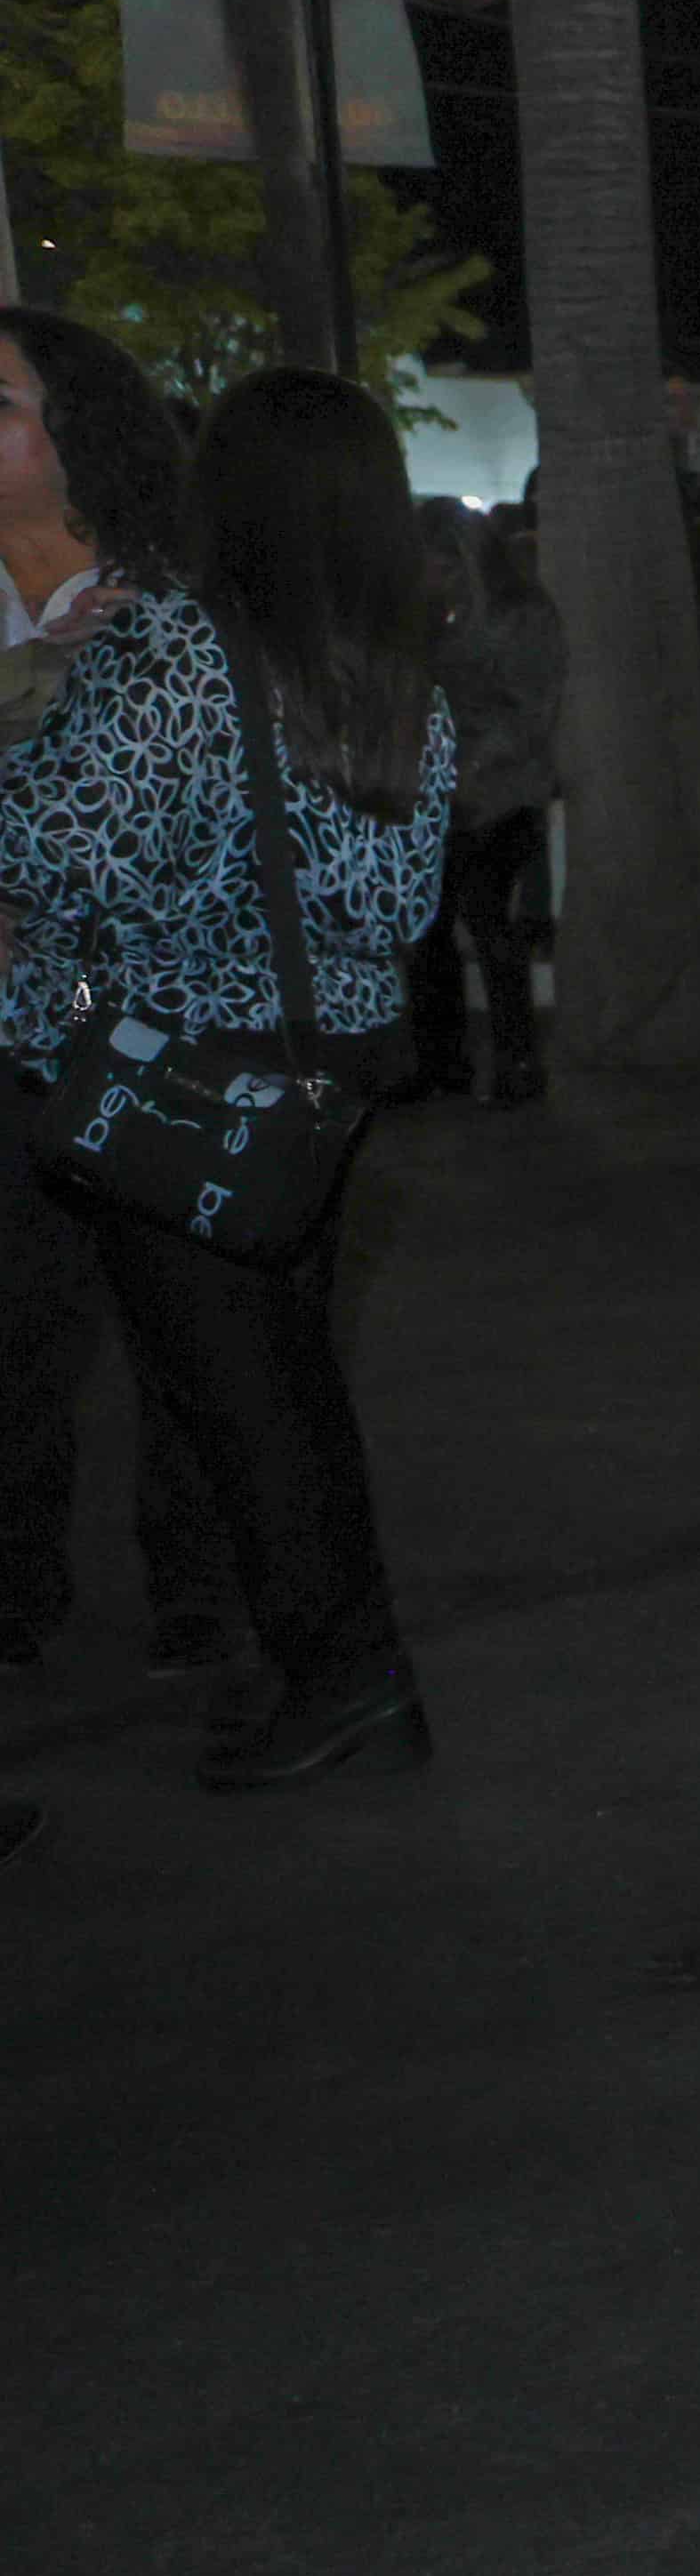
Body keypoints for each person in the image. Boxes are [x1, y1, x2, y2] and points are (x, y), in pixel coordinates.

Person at [0, 368, 461, 1789]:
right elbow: (398, 907)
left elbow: (53, 851)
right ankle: (321, 1668)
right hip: (322, 1086)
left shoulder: (181, 655)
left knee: (239, 1407)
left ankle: (349, 1686)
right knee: (286, 1388)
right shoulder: (399, 674)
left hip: (174, 1085)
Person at [0, 305, 231, 1679]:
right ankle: (15, 1589)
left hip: (135, 1004)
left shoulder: (174, 597)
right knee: (18, 1318)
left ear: (72, 433)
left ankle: (199, 1592)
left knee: (175, 1309)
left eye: (2, 401)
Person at [412, 501, 560, 1106]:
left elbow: (531, 714)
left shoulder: (521, 615)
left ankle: (516, 1061)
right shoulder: (436, 614)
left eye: (439, 567)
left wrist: (469, 767)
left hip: (503, 789)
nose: (428, 577)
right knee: (431, 928)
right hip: (445, 786)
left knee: (487, 921)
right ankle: (445, 1062)